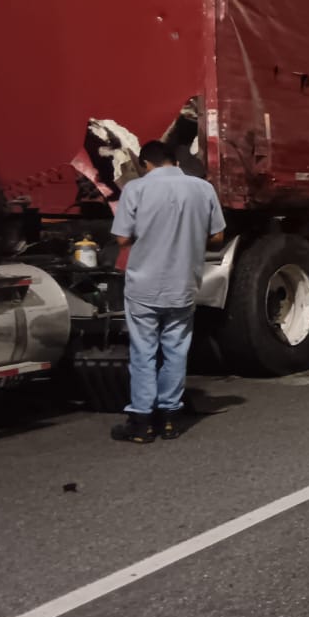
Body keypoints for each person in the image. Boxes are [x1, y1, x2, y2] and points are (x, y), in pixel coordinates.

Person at [109, 139, 226, 444]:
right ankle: (171, 418)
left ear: (145, 164)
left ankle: (142, 422)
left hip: (144, 285)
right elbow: (218, 236)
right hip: (183, 282)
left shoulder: (136, 189)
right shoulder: (203, 189)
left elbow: (122, 240)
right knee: (176, 349)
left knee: (144, 352)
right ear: (174, 161)